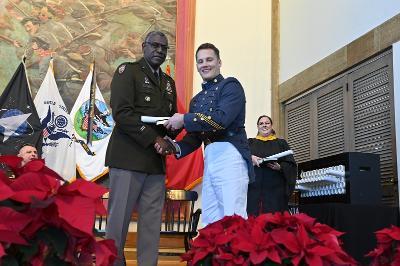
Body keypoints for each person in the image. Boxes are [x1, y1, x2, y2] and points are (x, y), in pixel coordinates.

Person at [160, 43, 255, 226]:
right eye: (200, 61)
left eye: (209, 59)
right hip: (210, 155)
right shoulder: (196, 100)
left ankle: (235, 255)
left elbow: (220, 120)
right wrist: (174, 146)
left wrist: (184, 119)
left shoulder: (231, 86)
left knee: (233, 216)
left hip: (231, 154)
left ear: (219, 62)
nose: (205, 64)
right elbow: (196, 136)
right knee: (211, 218)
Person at [104, 31, 178, 266]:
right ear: (143, 46)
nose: (159, 50)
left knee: (151, 225)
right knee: (118, 223)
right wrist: (155, 140)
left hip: (155, 164)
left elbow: (168, 120)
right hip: (128, 157)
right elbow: (122, 114)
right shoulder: (128, 72)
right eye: (154, 45)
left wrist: (175, 133)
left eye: (164, 47)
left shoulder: (168, 83)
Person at [246, 115, 297, 216]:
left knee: (275, 220)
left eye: (267, 123)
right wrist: (250, 157)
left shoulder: (281, 143)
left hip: (275, 189)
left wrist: (281, 167)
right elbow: (239, 159)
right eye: (261, 123)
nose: (264, 125)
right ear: (257, 126)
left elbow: (291, 164)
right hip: (254, 188)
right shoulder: (249, 143)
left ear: (271, 125)